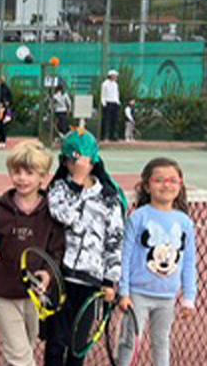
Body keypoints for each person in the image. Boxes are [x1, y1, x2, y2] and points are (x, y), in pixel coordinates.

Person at [0, 140, 65, 366]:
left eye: (29, 172)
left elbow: (56, 250)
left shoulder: (51, 213)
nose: (22, 178)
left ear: (42, 176)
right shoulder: (0, 211)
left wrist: (47, 274)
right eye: (17, 172)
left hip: (35, 293)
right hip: (4, 290)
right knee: (18, 353)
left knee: (25, 344)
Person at [45, 129, 126, 366]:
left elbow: (114, 239)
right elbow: (64, 215)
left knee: (77, 345)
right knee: (55, 342)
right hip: (61, 279)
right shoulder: (60, 188)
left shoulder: (110, 197)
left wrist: (110, 281)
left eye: (82, 161)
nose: (76, 165)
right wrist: (77, 183)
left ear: (94, 161)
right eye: (71, 161)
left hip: (91, 282)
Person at [116, 157, 198, 366]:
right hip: (137, 294)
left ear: (180, 184)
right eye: (159, 180)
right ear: (147, 185)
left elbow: (188, 261)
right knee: (129, 341)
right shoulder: (138, 217)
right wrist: (124, 292)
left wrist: (189, 298)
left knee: (162, 342)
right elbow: (125, 256)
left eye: (172, 180)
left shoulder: (184, 222)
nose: (166, 185)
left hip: (167, 296)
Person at [100, 70, 122, 142]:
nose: (116, 77)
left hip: (114, 103)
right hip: (107, 102)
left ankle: (113, 136)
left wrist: (118, 102)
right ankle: (104, 136)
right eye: (114, 76)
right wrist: (104, 103)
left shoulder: (115, 84)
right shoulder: (105, 84)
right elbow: (103, 94)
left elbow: (116, 93)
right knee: (106, 120)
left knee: (114, 120)